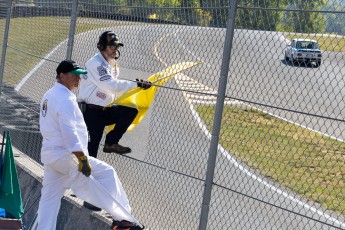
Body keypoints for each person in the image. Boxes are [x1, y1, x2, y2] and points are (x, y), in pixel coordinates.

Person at [37, 60, 144, 230]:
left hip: (52, 154)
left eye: (79, 76)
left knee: (49, 199)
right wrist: (82, 159)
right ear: (62, 76)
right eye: (74, 75)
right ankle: (122, 219)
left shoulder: (50, 94)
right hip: (67, 155)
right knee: (104, 176)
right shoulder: (64, 99)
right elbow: (69, 131)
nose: (78, 79)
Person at [78, 30, 151, 159]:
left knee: (130, 111)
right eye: (112, 46)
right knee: (91, 150)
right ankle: (85, 175)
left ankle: (111, 142)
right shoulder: (95, 63)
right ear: (101, 47)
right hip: (92, 112)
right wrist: (136, 85)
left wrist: (137, 88)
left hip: (106, 110)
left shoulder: (112, 64)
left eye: (117, 46)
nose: (115, 49)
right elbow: (112, 86)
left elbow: (115, 89)